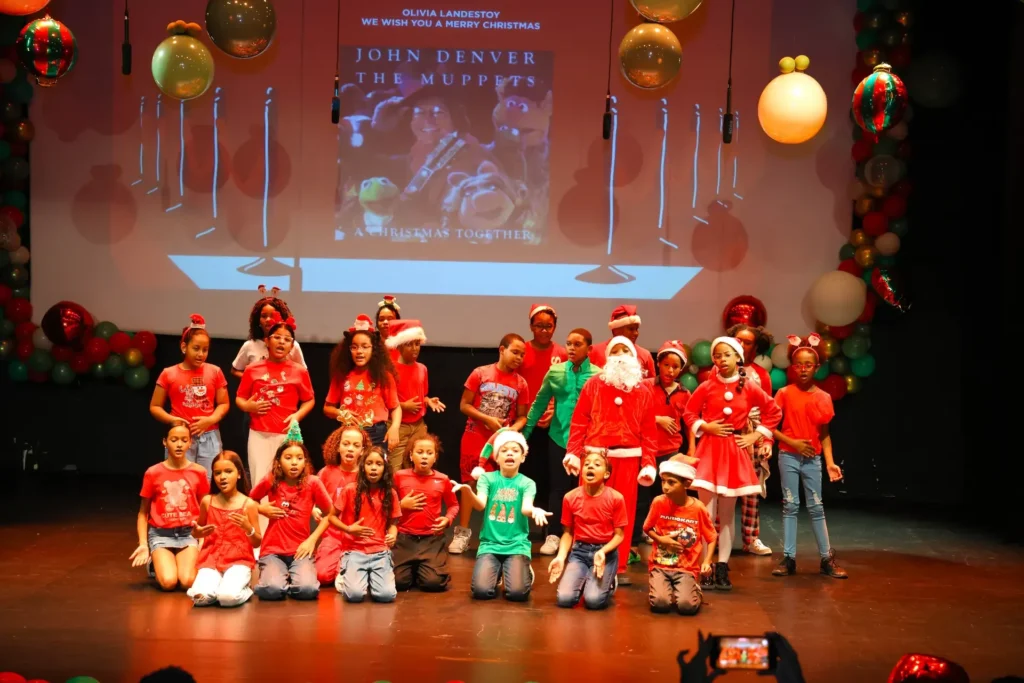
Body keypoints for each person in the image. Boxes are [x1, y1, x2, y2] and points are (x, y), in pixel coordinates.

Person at [683, 337, 782, 591]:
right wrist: (706, 427)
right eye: (717, 356)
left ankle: (722, 566)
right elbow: (689, 413)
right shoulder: (706, 386)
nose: (721, 360)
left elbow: (773, 411)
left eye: (727, 355)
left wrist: (755, 435)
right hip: (709, 451)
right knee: (706, 515)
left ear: (738, 357)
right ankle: (705, 565)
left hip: (733, 452)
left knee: (726, 516)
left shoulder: (749, 386)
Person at [566, 335, 658, 585]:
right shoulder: (594, 384)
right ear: (607, 357)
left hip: (628, 459)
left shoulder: (643, 390)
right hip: (595, 455)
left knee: (622, 513)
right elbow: (579, 420)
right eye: (615, 351)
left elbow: (649, 431)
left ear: (634, 357)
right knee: (587, 509)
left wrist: (648, 462)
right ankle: (582, 561)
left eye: (625, 351)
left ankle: (617, 566)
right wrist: (573, 452)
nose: (620, 356)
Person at [771, 334, 847, 579]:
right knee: (790, 505)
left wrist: (830, 462)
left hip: (812, 459)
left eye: (808, 365)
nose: (803, 369)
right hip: (788, 457)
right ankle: (789, 558)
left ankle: (826, 558)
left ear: (816, 367)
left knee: (816, 507)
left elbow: (824, 434)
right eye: (799, 365)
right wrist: (792, 442)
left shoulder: (823, 397)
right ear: (793, 367)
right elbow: (770, 426)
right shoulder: (784, 393)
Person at [448, 333, 530, 554]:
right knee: (470, 484)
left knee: (499, 486)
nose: (519, 357)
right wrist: (486, 419)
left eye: (522, 354)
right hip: (474, 436)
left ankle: (494, 534)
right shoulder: (480, 373)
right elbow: (464, 405)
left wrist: (512, 430)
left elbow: (523, 416)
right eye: (515, 352)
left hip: (501, 443)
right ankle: (462, 533)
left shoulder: (521, 383)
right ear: (502, 350)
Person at [523, 327, 600, 556]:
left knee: (586, 490)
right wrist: (524, 435)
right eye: (569, 344)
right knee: (558, 488)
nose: (571, 348)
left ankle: (582, 536)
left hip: (589, 443)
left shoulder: (598, 376)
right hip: (559, 439)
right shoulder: (555, 372)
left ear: (589, 349)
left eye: (577, 344)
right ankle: (554, 534)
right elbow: (539, 403)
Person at [236, 313, 315, 535]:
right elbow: (240, 398)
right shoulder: (252, 369)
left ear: (292, 345)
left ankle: (287, 532)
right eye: (277, 337)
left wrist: (297, 416)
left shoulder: (299, 371)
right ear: (267, 341)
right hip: (259, 434)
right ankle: (260, 536)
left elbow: (309, 399)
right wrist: (249, 406)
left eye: (287, 339)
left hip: (286, 438)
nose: (281, 342)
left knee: (287, 484)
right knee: (260, 481)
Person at [464, 430, 550, 601]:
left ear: (522, 457)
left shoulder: (527, 483)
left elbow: (526, 508)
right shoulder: (487, 479)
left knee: (517, 594)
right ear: (497, 457)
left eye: (515, 450)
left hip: (516, 546)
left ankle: (523, 569)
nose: (509, 453)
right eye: (504, 450)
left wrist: (535, 510)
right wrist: (468, 492)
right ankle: (497, 572)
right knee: (481, 591)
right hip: (490, 545)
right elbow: (480, 505)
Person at [251, 423, 333, 601]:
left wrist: (312, 540)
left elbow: (331, 514)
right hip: (273, 550)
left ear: (305, 462)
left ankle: (287, 579)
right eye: (288, 458)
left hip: (300, 550)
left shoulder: (313, 483)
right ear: (279, 461)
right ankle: (277, 579)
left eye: (299, 458)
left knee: (308, 590)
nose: (294, 462)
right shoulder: (271, 479)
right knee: (272, 590)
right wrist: (261, 509)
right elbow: (248, 502)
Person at [633, 340, 694, 561]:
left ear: (681, 370)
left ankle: (666, 537)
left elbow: (689, 424)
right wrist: (657, 419)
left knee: (668, 497)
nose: (670, 370)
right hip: (646, 450)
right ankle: (635, 540)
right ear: (658, 363)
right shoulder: (645, 386)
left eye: (675, 367)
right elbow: (634, 413)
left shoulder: (685, 393)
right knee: (641, 498)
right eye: (666, 365)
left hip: (671, 451)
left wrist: (692, 450)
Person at [130, 423, 209, 591]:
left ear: (190, 443)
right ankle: (155, 562)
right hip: (161, 534)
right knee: (169, 582)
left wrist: (203, 538)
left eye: (184, 440)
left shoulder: (199, 472)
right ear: (165, 442)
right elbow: (143, 513)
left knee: (187, 582)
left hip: (188, 533)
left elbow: (205, 507)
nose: (179, 444)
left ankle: (173, 560)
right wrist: (143, 544)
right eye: (174, 440)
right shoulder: (153, 473)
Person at [149, 314, 229, 479]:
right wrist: (173, 420)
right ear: (184, 347)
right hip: (180, 436)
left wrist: (211, 419)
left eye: (205, 350)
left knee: (207, 481)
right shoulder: (168, 373)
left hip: (209, 436)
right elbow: (155, 407)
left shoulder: (215, 371)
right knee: (179, 481)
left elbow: (224, 403)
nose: (201, 354)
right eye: (196, 348)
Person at [721, 322, 776, 557]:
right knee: (722, 487)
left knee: (751, 488)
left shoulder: (761, 375)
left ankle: (751, 538)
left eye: (748, 342)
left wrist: (765, 440)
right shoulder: (719, 370)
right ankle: (716, 537)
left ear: (756, 347)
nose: (742, 345)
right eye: (739, 340)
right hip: (725, 433)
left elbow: (769, 411)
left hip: (751, 435)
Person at [547, 451, 627, 610]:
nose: (590, 466)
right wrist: (561, 557)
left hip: (605, 553)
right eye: (587, 464)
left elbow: (619, 535)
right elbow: (568, 533)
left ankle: (609, 581)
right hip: (579, 552)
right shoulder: (570, 497)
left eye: (597, 464)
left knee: (593, 601)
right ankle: (585, 579)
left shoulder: (616, 498)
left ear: (606, 474)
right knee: (565, 599)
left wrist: (603, 551)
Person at [518, 304, 567, 540]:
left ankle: (551, 527)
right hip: (527, 423)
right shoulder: (522, 351)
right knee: (527, 473)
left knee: (552, 476)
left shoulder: (563, 353)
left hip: (554, 424)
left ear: (555, 327)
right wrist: (527, 416)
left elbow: (567, 389)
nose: (544, 330)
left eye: (549, 326)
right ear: (531, 327)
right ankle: (522, 525)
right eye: (539, 326)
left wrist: (553, 411)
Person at [187, 451, 261, 607]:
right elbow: (197, 531)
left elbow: (257, 542)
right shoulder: (207, 501)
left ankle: (244, 589)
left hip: (238, 560)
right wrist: (197, 533)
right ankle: (216, 589)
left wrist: (248, 528)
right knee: (200, 599)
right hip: (211, 560)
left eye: (228, 471)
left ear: (239, 474)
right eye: (217, 473)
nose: (223, 477)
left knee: (227, 598)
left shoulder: (249, 504)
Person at [643, 458, 716, 616]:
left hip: (686, 568)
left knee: (686, 607)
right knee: (660, 604)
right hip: (660, 565)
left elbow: (711, 537)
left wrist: (707, 561)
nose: (665, 487)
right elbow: (647, 528)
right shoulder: (659, 502)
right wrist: (661, 540)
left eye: (671, 482)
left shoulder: (697, 508)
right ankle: (661, 587)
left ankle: (693, 590)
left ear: (686, 484)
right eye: (663, 481)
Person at [330, 447, 402, 603]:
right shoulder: (350, 490)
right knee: (354, 595)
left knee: (386, 596)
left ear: (385, 468)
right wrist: (349, 529)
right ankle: (346, 574)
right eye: (369, 463)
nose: (374, 468)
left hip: (380, 551)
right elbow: (331, 517)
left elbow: (393, 523)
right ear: (363, 466)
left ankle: (369, 579)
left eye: (378, 464)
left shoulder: (390, 493)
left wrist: (393, 535)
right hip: (355, 550)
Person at [393, 434, 461, 592]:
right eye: (420, 452)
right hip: (404, 538)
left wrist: (448, 519)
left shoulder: (443, 479)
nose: (424, 456)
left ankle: (425, 567)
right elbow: (386, 503)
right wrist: (401, 505)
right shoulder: (399, 476)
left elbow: (453, 505)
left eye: (429, 453)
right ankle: (414, 567)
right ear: (411, 455)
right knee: (398, 582)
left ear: (435, 457)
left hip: (431, 539)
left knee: (433, 583)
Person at [324, 314, 402, 451]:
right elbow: (327, 408)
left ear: (373, 349)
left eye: (365, 347)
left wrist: (394, 428)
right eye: (354, 347)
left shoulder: (384, 376)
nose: (359, 351)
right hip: (349, 433)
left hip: (376, 434)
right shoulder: (342, 375)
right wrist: (340, 414)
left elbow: (395, 407)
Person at [385, 319, 446, 471]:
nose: (414, 349)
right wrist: (404, 406)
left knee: (417, 466)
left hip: (418, 425)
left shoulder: (422, 369)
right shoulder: (390, 370)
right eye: (409, 344)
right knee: (395, 467)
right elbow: (384, 401)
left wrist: (428, 400)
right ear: (399, 346)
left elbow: (422, 395)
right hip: (398, 426)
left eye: (417, 344)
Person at [314, 423, 368, 585]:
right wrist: (313, 508)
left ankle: (344, 566)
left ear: (362, 451)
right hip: (333, 535)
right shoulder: (326, 472)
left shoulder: (366, 475)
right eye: (346, 444)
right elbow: (311, 495)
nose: (350, 449)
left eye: (356, 445)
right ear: (338, 447)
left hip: (357, 535)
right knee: (322, 575)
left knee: (348, 574)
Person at [231, 285, 306, 378]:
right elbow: (235, 370)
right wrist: (253, 380)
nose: (268, 319)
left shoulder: (292, 345)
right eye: (264, 316)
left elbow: (303, 373)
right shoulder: (249, 345)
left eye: (273, 315)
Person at [589, 305, 657, 379]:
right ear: (616, 330)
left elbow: (651, 384)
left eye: (637, 329)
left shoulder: (645, 355)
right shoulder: (595, 351)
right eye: (631, 329)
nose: (636, 333)